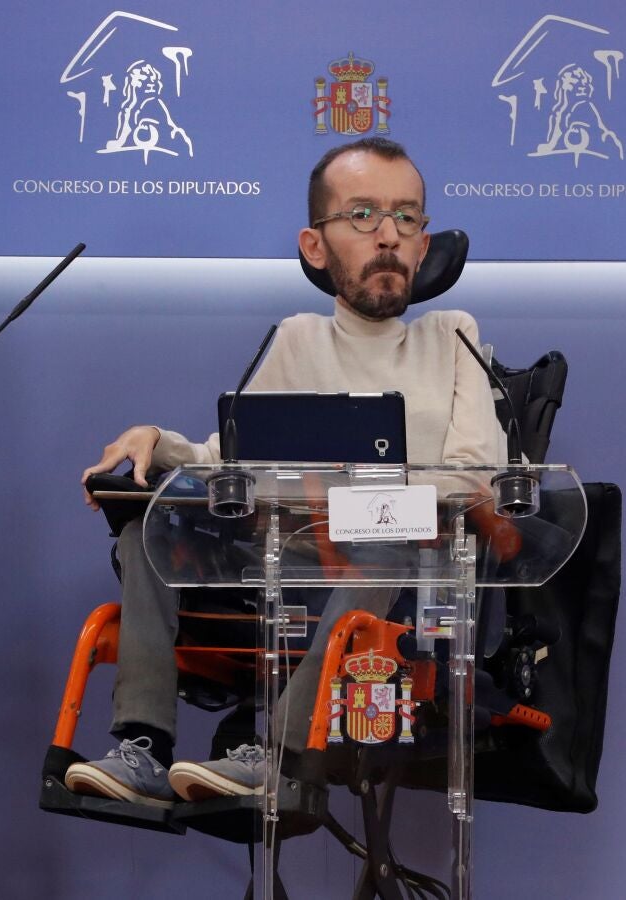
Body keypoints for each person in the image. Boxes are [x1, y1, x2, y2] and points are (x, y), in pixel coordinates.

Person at [65, 137, 504, 806]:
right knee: (148, 532)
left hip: (403, 576)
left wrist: (358, 506)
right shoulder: (297, 338)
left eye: (406, 217)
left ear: (424, 245)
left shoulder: (453, 336)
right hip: (289, 567)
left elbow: (475, 479)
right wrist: (158, 441)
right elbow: (235, 459)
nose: (388, 235)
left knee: (383, 549)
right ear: (314, 246)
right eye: (363, 214)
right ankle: (143, 747)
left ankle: (283, 755)